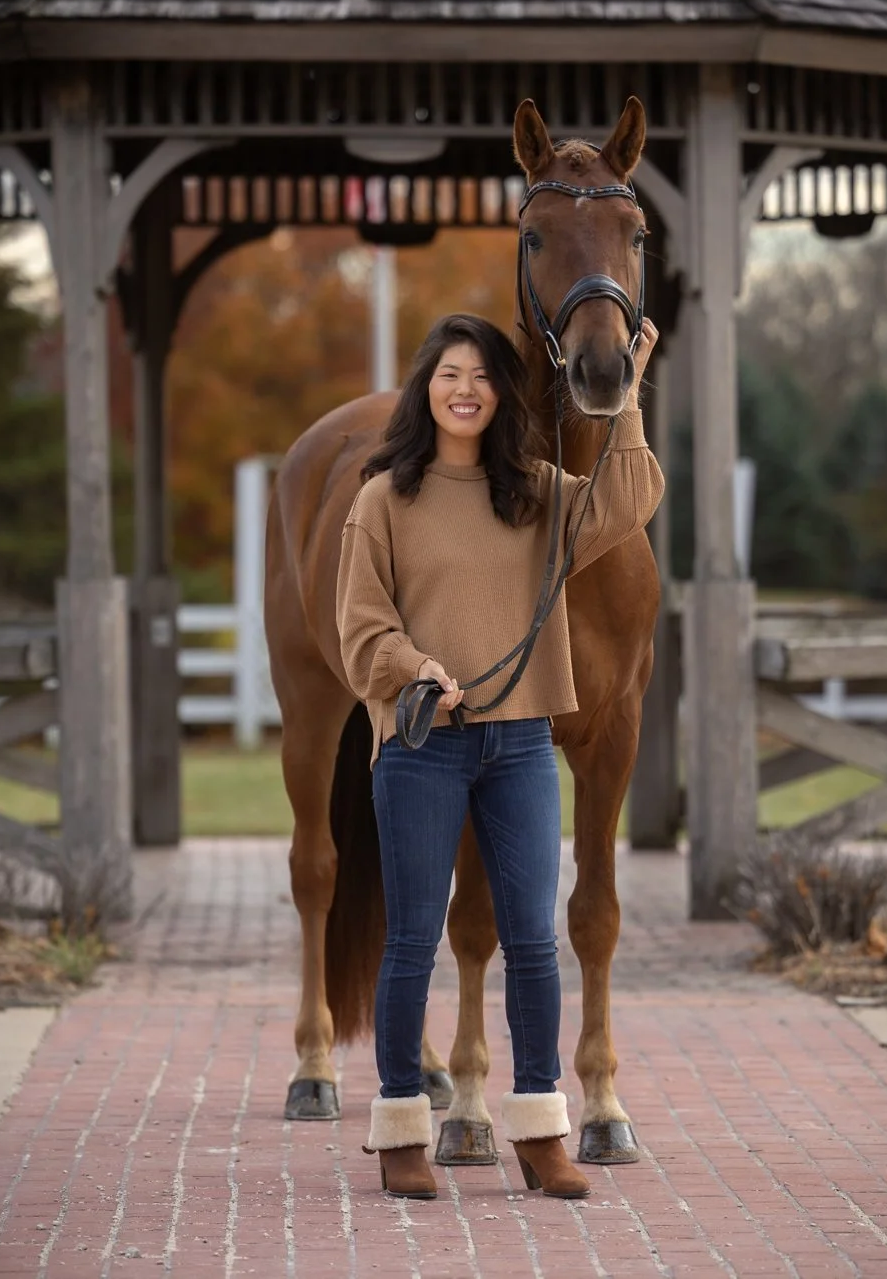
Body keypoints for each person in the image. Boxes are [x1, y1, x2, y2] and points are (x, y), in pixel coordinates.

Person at [336, 312, 663, 1202]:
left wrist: (624, 398)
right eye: (449, 374)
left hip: (520, 741)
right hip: (423, 745)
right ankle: (403, 1125)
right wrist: (417, 668)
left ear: (503, 393)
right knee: (410, 942)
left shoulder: (540, 492)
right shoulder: (383, 502)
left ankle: (540, 1129)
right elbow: (361, 626)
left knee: (532, 942)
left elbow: (631, 500)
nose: (467, 389)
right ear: (425, 388)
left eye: (482, 375)